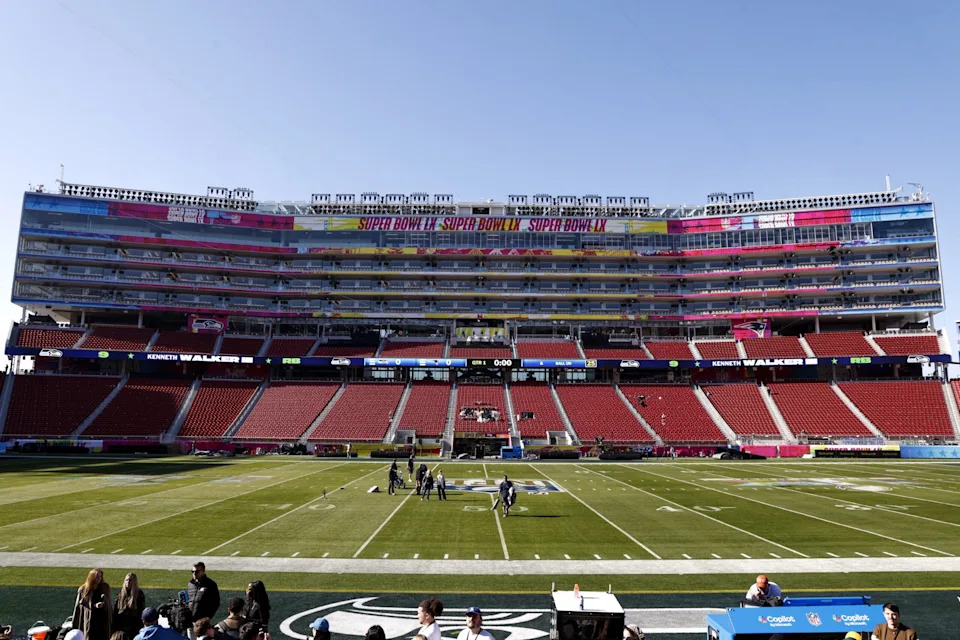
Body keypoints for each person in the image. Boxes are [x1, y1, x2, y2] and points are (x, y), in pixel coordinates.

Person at [73, 568, 112, 640]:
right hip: (90, 621)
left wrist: (104, 602)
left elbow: (109, 604)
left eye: (100, 576)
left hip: (102, 620)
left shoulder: (104, 588)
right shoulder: (84, 589)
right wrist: (94, 605)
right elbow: (80, 606)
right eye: (97, 576)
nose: (99, 579)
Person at [113, 573, 146, 638]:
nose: (128, 582)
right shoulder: (120, 594)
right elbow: (116, 611)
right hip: (121, 626)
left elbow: (141, 611)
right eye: (127, 580)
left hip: (134, 626)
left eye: (130, 580)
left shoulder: (139, 594)